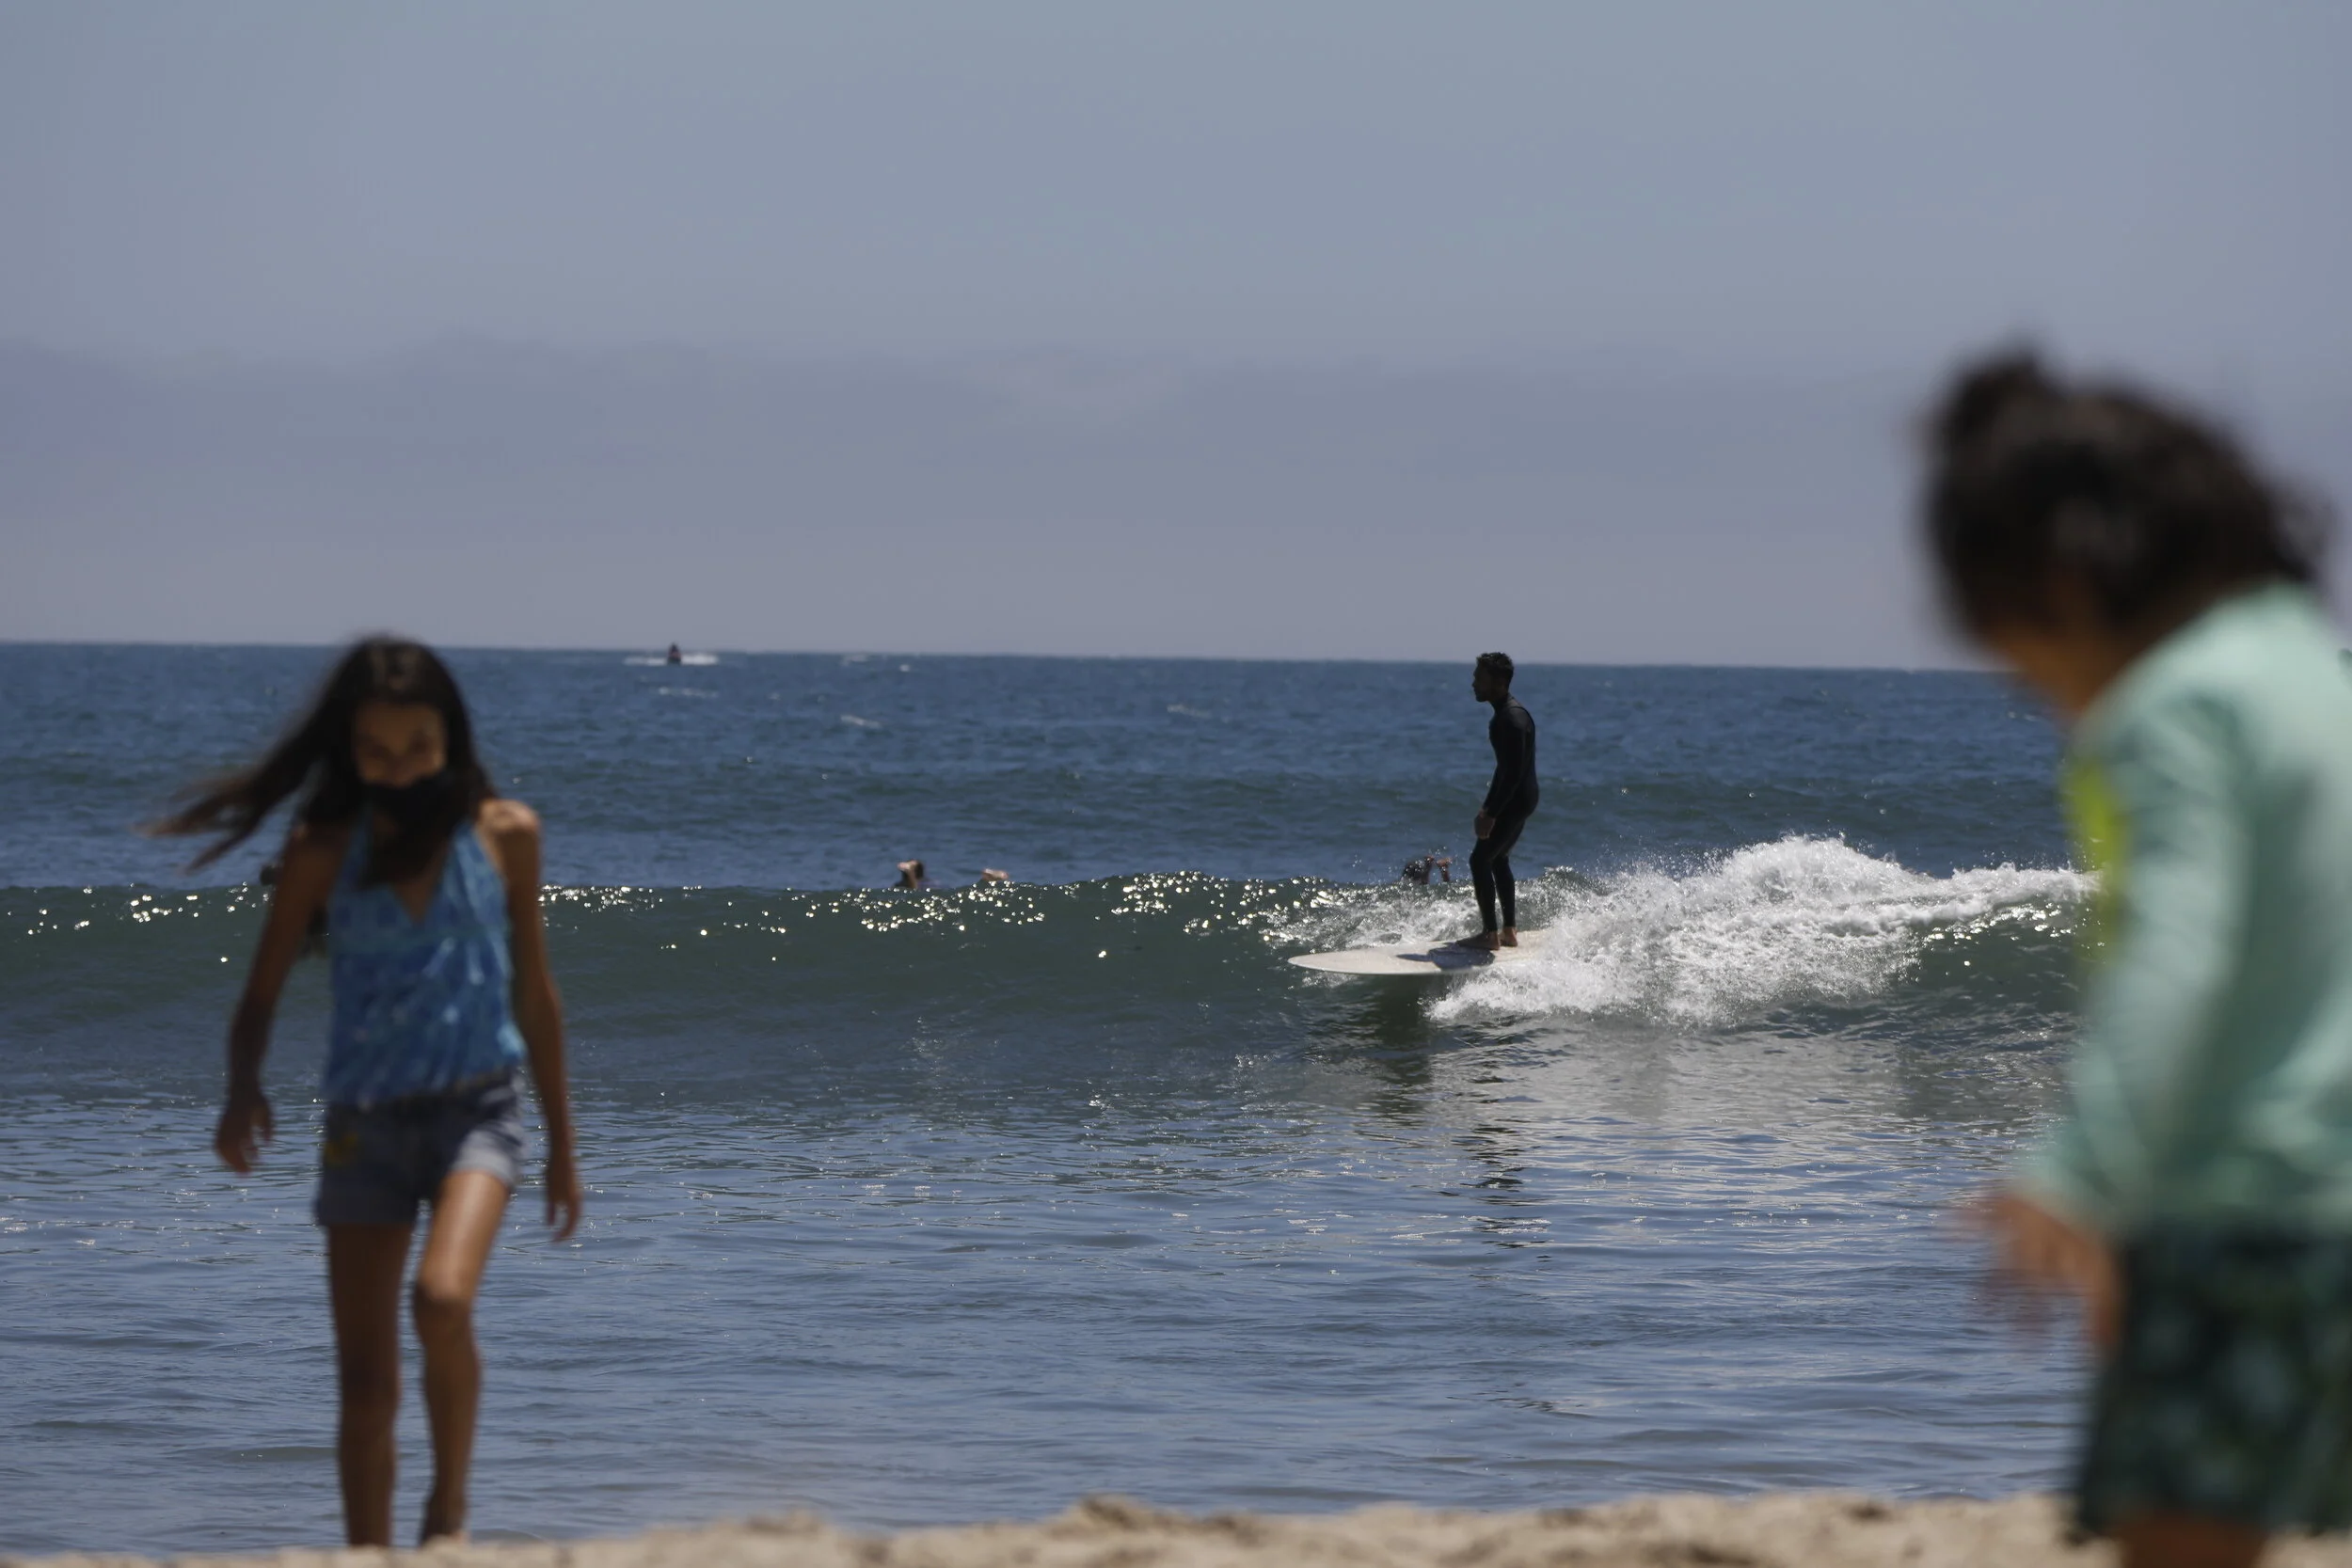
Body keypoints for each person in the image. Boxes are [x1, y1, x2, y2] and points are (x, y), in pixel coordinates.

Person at [1931, 351, 2352, 1568]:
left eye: (2014, 660)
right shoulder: (2313, 675)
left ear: (2061, 589)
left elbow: (2180, 945)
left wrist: (2089, 1167)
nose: (2035, 698)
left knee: (2184, 1539)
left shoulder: (2174, 707)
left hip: (2248, 1210)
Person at [152, 637, 583, 1549]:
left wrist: (564, 1148)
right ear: (350, 752)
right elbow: (259, 995)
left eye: (419, 746)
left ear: (451, 736)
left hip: (478, 1111)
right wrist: (241, 1089)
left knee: (442, 1300)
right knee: (364, 1382)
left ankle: (447, 1510)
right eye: (377, 751)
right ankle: (366, 1552)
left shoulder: (505, 833)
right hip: (364, 1127)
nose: (400, 767)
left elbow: (535, 994)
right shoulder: (323, 850)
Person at [1460, 652, 1536, 949]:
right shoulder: (1508, 714)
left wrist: (1491, 813)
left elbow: (1513, 772)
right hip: (1522, 797)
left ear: (1500, 682)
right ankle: (1509, 931)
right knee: (1498, 858)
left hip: (1516, 799)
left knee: (1479, 860)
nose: (1473, 683)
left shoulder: (1510, 719)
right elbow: (1505, 770)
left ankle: (1489, 935)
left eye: (1480, 678)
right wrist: (1487, 808)